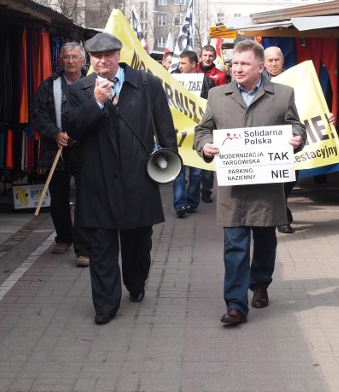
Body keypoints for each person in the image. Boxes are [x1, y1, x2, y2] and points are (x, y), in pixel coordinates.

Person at [63, 32, 177, 325]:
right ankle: (105, 305)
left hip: (139, 181)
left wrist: (167, 164)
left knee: (138, 245)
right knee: (101, 248)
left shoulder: (146, 83)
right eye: (97, 56)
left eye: (108, 55)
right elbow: (73, 128)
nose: (103, 61)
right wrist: (98, 103)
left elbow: (165, 128)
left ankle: (136, 284)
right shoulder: (81, 89)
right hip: (98, 183)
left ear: (118, 55)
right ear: (90, 59)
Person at [194, 40, 306, 325]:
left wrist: (297, 138)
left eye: (244, 63)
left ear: (260, 67)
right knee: (234, 246)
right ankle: (235, 304)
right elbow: (203, 130)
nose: (237, 68)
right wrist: (205, 145)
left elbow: (297, 125)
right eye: (234, 64)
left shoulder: (282, 95)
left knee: (266, 241)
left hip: (267, 187)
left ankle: (260, 284)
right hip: (233, 188)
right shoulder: (218, 95)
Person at [30, 42, 91, 268]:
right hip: (56, 148)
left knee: (85, 198)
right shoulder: (50, 85)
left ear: (83, 60)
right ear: (60, 59)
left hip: (85, 149)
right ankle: (64, 237)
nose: (70, 61)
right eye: (66, 57)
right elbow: (38, 114)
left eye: (75, 57)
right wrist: (54, 133)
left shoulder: (92, 84)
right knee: (58, 197)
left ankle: (84, 248)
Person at [172, 50, 215, 218]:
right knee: (178, 171)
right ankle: (180, 204)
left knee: (196, 173)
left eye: (183, 63)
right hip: (179, 134)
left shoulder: (207, 83)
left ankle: (192, 202)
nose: (180, 66)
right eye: (179, 63)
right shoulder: (173, 81)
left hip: (198, 135)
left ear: (193, 64)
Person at [263, 46, 295, 233]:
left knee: (291, 178)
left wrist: (325, 115)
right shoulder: (257, 80)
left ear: (283, 60)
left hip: (291, 138)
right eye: (270, 60)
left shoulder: (295, 78)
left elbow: (310, 102)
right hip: (268, 139)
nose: (274, 63)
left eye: (277, 59)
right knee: (276, 179)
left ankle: (283, 209)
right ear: (264, 62)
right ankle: (282, 218)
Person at [197, 44, 227, 203]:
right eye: (205, 55)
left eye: (210, 55)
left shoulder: (220, 75)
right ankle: (191, 190)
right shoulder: (192, 71)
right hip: (192, 117)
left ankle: (206, 190)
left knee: (209, 151)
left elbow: (223, 98)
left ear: (214, 57)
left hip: (210, 119)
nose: (207, 58)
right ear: (200, 56)